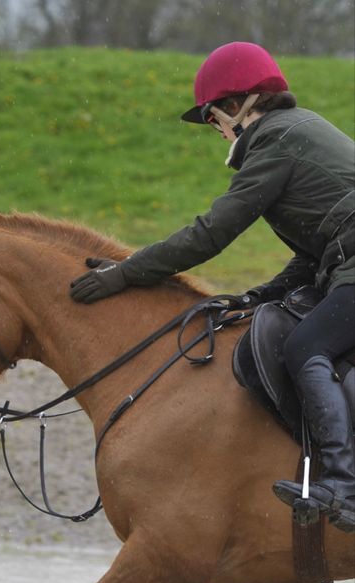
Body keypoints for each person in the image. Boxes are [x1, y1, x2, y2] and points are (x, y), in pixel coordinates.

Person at [70, 41, 355, 534]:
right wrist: (259, 294)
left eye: (211, 118)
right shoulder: (297, 130)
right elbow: (315, 253)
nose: (215, 130)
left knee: (305, 347)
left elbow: (211, 233)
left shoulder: (274, 141)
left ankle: (343, 486)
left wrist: (126, 271)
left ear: (234, 106)